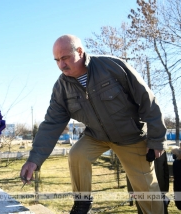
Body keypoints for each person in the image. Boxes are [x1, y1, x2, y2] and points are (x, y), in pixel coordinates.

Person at [20, 35, 167, 214]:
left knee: (147, 192)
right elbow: (51, 123)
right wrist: (34, 160)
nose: (61, 65)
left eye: (65, 58)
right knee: (77, 154)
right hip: (96, 136)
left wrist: (156, 139)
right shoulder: (61, 87)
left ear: (80, 51)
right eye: (57, 60)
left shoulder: (112, 66)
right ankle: (82, 204)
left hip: (131, 136)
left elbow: (147, 100)